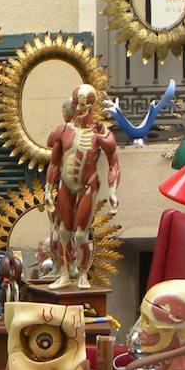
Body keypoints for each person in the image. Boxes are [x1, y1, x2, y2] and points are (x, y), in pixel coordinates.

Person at [44, 83, 120, 289]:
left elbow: (114, 163)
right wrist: (48, 189)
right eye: (77, 105)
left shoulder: (100, 133)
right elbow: (54, 162)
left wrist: (113, 190)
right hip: (66, 185)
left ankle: (83, 274)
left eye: (84, 107)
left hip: (88, 185)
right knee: (64, 232)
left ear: (92, 107)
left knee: (80, 234)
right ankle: (65, 274)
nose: (79, 110)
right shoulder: (63, 131)